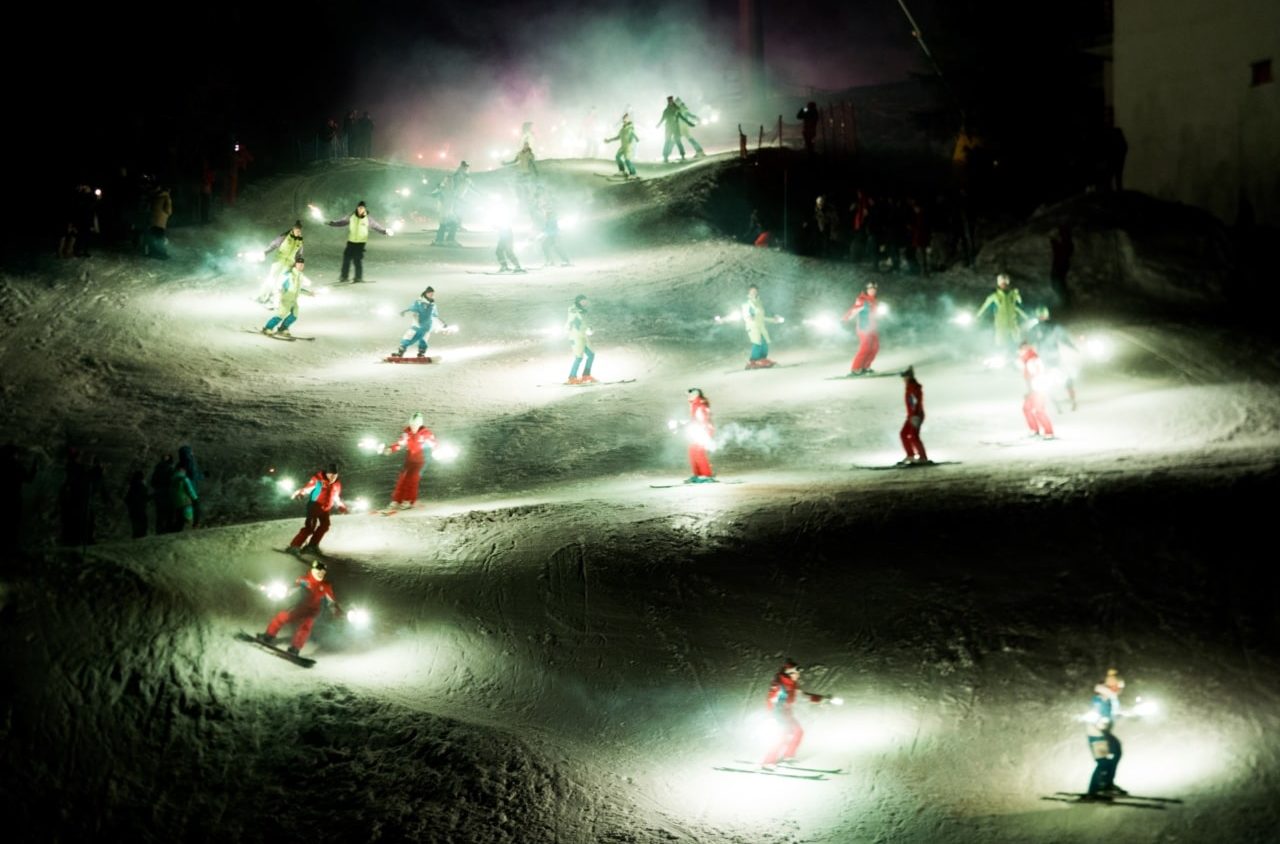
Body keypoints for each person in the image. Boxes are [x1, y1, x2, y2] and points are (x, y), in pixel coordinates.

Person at [258, 559, 345, 657]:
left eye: (323, 573)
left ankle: (295, 648)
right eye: (319, 571)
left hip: (312, 612)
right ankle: (268, 636)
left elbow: (331, 602)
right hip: (300, 607)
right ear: (314, 570)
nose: (321, 574)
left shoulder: (325, 586)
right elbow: (293, 589)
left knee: (305, 627)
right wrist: (284, 592)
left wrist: (337, 612)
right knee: (282, 617)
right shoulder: (304, 580)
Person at [761, 659, 830, 769]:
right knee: (781, 736)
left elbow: (803, 696)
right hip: (778, 714)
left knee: (798, 732)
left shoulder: (792, 685)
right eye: (797, 673)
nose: (798, 675)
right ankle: (768, 762)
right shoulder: (779, 686)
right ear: (790, 673)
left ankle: (788, 756)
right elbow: (771, 700)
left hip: (787, 714)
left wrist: (822, 699)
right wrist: (772, 716)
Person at [1084, 668, 1129, 799]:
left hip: (1105, 732)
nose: (1120, 690)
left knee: (1116, 752)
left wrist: (1130, 715)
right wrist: (1100, 722)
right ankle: (1093, 791)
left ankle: (1107, 784)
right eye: (1118, 687)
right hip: (1097, 734)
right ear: (1112, 687)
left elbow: (1114, 714)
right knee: (1103, 762)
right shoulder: (1102, 697)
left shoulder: (1111, 698)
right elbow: (1097, 713)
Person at [380, 412, 439, 510]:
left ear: (419, 424)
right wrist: (391, 449)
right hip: (410, 460)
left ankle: (408, 500)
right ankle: (396, 500)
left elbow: (434, 444)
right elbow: (399, 444)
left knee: (413, 479)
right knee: (402, 478)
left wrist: (437, 451)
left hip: (422, 460)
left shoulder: (425, 434)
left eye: (415, 425)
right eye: (412, 424)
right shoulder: (407, 433)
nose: (413, 427)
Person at [287, 464, 348, 555]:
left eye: (335, 476)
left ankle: (312, 546)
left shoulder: (336, 484)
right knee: (310, 527)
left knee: (325, 526)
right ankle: (294, 546)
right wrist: (300, 494)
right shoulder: (319, 480)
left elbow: (336, 497)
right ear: (326, 474)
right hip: (314, 506)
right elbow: (307, 488)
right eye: (331, 475)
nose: (332, 478)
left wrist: (341, 506)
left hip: (325, 509)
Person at [1027, 306, 1079, 411]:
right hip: (1045, 359)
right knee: (1045, 382)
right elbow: (1029, 343)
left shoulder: (1052, 327)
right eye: (1040, 316)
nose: (1042, 317)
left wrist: (1073, 347)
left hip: (1053, 358)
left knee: (1065, 378)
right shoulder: (1037, 328)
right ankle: (1056, 401)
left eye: (1043, 315)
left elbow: (1063, 338)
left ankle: (1071, 400)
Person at [327, 201, 390, 283]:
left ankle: (358, 277)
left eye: (362, 208)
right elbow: (341, 222)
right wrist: (332, 223)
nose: (360, 209)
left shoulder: (368, 218)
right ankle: (344, 277)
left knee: (357, 259)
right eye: (359, 208)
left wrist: (384, 231)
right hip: (351, 241)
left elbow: (376, 226)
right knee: (346, 259)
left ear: (365, 209)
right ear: (357, 208)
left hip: (361, 242)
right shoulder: (351, 216)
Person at [262, 256, 315, 337]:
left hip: (294, 299)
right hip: (286, 298)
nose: (301, 266)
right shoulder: (289, 275)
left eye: (302, 264)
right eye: (299, 264)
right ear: (295, 265)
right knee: (281, 315)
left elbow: (298, 289)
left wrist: (309, 293)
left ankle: (283, 328)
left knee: (294, 316)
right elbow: (279, 285)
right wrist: (278, 295)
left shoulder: (300, 276)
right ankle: (268, 328)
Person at [391, 286, 450, 359]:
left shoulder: (433, 305)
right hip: (417, 326)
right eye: (430, 293)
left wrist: (443, 324)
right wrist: (404, 312)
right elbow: (412, 309)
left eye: (432, 293)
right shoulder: (419, 302)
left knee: (424, 340)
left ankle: (421, 354)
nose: (432, 295)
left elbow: (435, 316)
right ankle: (400, 353)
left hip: (427, 327)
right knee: (408, 337)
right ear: (426, 293)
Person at [974, 273, 1028, 352]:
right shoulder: (994, 296)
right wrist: (977, 315)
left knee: (1017, 339)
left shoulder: (1013, 294)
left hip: (1012, 322)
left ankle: (1019, 355)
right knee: (1000, 341)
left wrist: (1017, 294)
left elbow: (1019, 304)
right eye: (1002, 283)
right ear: (999, 284)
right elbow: (984, 306)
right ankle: (1000, 355)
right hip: (1001, 323)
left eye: (1005, 283)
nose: (1004, 285)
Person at [258, 221, 305, 306]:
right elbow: (273, 245)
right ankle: (262, 296)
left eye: (299, 231)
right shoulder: (285, 236)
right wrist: (265, 252)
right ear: (293, 229)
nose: (298, 232)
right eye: (297, 230)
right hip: (279, 261)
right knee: (271, 278)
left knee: (280, 281)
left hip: (289, 263)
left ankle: (273, 298)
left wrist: (297, 264)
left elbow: (299, 253)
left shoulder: (300, 241)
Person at [1018, 341, 1055, 439]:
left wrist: (1035, 389)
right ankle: (1034, 429)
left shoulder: (1032, 359)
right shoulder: (1026, 360)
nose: (1021, 352)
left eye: (1023, 350)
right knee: (1026, 409)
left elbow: (1036, 375)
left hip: (1038, 388)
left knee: (1039, 410)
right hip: (1033, 389)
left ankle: (1049, 432)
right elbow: (1027, 378)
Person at [842, 281, 880, 375]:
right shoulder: (863, 299)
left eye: (874, 289)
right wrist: (845, 318)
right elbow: (854, 309)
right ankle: (855, 368)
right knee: (865, 347)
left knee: (875, 347)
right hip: (864, 327)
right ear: (866, 290)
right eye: (870, 289)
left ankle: (865, 367)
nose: (872, 291)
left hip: (872, 328)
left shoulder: (874, 300)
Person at [742, 284, 784, 369]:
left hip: (760, 326)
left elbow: (762, 317)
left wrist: (774, 319)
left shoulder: (759, 302)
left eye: (755, 291)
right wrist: (749, 317)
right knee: (757, 342)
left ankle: (762, 359)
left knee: (765, 342)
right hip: (752, 326)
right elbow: (745, 313)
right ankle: (753, 360)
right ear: (748, 292)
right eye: (752, 291)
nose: (754, 292)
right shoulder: (746, 303)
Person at [685, 388, 716, 483]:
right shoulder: (694, 404)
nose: (688, 397)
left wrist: (702, 430)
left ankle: (706, 475)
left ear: (695, 395)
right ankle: (698, 474)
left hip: (703, 430)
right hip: (697, 430)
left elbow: (703, 418)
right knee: (692, 450)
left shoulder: (699, 404)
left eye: (690, 395)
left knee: (699, 451)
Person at [899, 367, 928, 465]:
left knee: (914, 436)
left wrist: (915, 415)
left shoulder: (912, 387)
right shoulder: (910, 386)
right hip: (911, 415)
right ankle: (910, 455)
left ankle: (923, 457)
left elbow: (914, 402)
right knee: (903, 434)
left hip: (916, 415)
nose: (903, 380)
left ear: (908, 377)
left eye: (905, 377)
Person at [566, 294, 596, 385]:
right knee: (579, 357)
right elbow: (573, 313)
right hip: (575, 336)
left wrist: (589, 329)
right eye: (583, 301)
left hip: (583, 336)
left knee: (591, 354)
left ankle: (586, 375)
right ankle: (572, 377)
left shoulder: (583, 311)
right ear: (578, 301)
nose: (585, 302)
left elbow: (584, 323)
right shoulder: (573, 309)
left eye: (585, 300)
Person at [177, 445, 204, 527]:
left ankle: (182, 524)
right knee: (196, 505)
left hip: (181, 489)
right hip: (192, 486)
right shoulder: (190, 461)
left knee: (184, 507)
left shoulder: (179, 464)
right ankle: (196, 523)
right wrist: (202, 476)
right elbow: (193, 475)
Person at [605, 114, 639, 179]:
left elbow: (633, 135)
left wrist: (634, 140)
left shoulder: (630, 128)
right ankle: (622, 171)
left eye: (626, 118)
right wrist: (609, 140)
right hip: (623, 146)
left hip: (628, 147)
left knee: (627, 161)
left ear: (629, 119)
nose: (624, 120)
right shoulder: (622, 129)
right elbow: (618, 137)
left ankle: (633, 173)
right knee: (617, 157)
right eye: (623, 118)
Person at [1049, 224, 1074, 309]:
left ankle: (1065, 303)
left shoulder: (1066, 243)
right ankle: (1065, 303)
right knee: (1058, 283)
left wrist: (1053, 241)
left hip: (1061, 265)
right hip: (1061, 264)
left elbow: (1060, 250)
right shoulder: (1067, 242)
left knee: (1058, 283)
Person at [145, 183, 172, 259]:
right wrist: (167, 215)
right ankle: (162, 254)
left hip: (152, 219)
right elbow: (168, 210)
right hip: (161, 220)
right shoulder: (166, 197)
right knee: (160, 237)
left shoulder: (153, 195)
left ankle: (152, 252)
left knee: (152, 236)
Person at [658, 96, 686, 164]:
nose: (670, 102)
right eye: (669, 101)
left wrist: (689, 122)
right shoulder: (666, 110)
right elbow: (662, 118)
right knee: (667, 141)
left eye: (671, 101)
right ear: (668, 102)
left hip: (675, 127)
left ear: (672, 101)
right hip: (668, 127)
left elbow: (681, 117)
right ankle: (665, 157)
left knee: (678, 141)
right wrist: (658, 124)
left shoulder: (677, 109)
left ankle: (682, 155)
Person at [125, 469, 149, 539]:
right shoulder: (141, 486)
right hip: (140, 509)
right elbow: (144, 497)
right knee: (142, 525)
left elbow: (127, 499)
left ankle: (136, 537)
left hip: (133, 509)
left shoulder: (132, 486)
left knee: (135, 525)